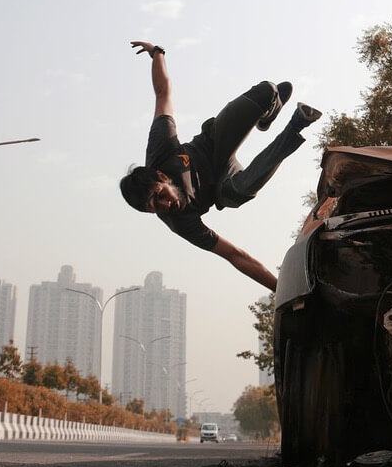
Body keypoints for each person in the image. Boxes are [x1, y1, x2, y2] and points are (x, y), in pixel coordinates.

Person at [120, 41, 321, 291]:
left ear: (161, 175)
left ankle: (269, 111)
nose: (166, 205)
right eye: (155, 209)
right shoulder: (180, 222)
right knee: (242, 190)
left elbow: (163, 95)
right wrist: (283, 290)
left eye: (161, 195)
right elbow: (235, 256)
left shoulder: (160, 150)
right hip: (223, 186)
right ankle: (296, 125)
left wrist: (157, 53)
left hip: (214, 143)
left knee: (267, 90)